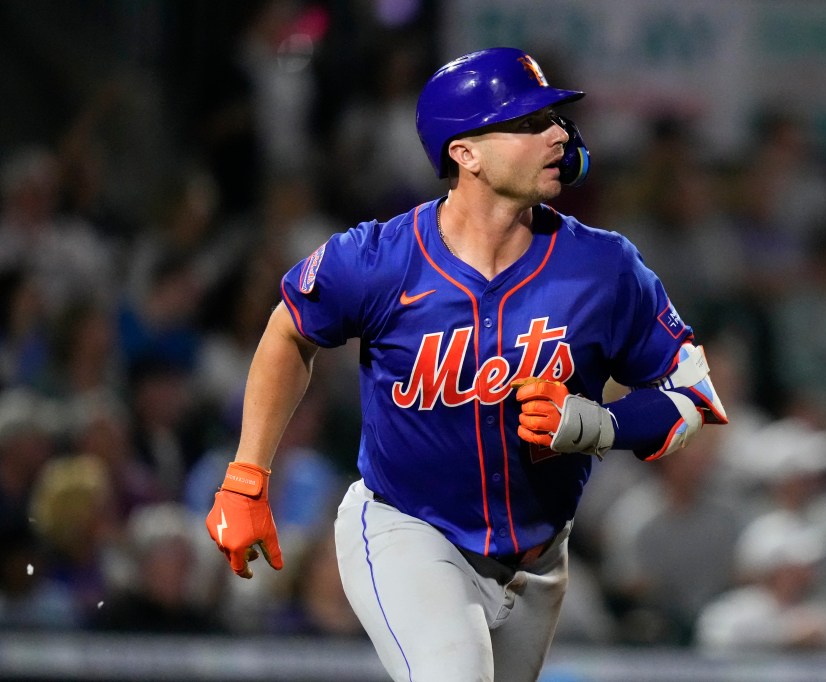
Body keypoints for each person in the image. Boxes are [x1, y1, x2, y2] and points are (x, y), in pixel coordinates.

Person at [204, 47, 728, 682]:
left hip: (538, 560)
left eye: (556, 120)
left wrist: (598, 424)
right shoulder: (379, 258)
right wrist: (246, 476)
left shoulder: (605, 266)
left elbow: (697, 397)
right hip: (409, 530)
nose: (559, 133)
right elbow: (289, 333)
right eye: (531, 123)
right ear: (466, 153)